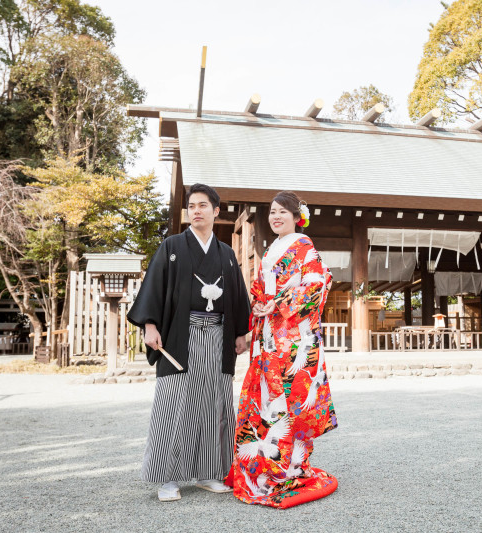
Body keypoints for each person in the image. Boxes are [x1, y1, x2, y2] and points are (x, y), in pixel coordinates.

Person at [127, 183, 251, 502]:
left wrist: (240, 332)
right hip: (180, 336)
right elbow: (154, 287)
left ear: (216, 211)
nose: (196, 211)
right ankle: (167, 478)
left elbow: (238, 296)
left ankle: (209, 472)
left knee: (215, 402)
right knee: (174, 402)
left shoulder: (226, 254)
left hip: (218, 336)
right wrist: (150, 325)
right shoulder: (172, 246)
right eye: (192, 206)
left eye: (203, 205)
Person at [225, 191, 338, 509]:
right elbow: (261, 289)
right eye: (272, 211)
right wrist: (260, 305)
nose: (276, 217)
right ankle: (266, 465)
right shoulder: (272, 248)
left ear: (296, 217)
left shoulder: (304, 245)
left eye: (282, 212)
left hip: (294, 339)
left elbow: (317, 285)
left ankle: (292, 467)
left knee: (290, 401)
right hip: (270, 334)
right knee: (267, 400)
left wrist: (278, 303)